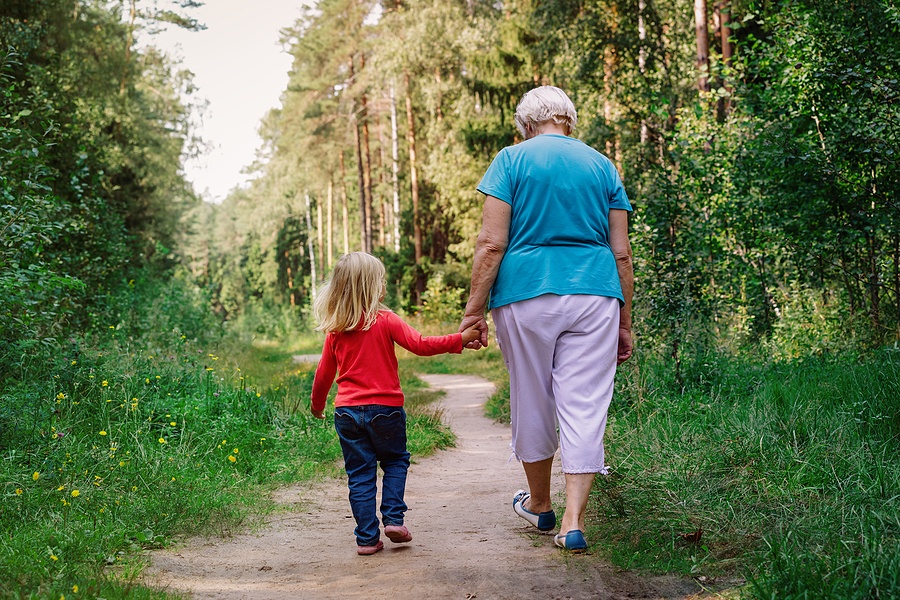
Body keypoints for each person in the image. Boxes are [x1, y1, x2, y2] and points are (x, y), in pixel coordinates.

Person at [458, 86, 634, 553]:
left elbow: (491, 243)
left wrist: (473, 311)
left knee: (532, 396)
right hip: (597, 293)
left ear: (526, 123)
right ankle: (573, 523)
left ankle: (539, 504)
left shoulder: (511, 161)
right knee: (585, 405)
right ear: (568, 121)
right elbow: (621, 253)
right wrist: (626, 321)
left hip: (524, 293)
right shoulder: (602, 165)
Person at [311, 252, 481, 555]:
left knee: (360, 474)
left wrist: (317, 405)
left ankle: (366, 539)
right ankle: (392, 518)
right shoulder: (386, 321)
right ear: (372, 287)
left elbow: (324, 373)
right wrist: (459, 338)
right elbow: (421, 345)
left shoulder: (335, 330)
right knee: (395, 461)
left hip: (346, 413)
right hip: (385, 410)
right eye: (382, 280)